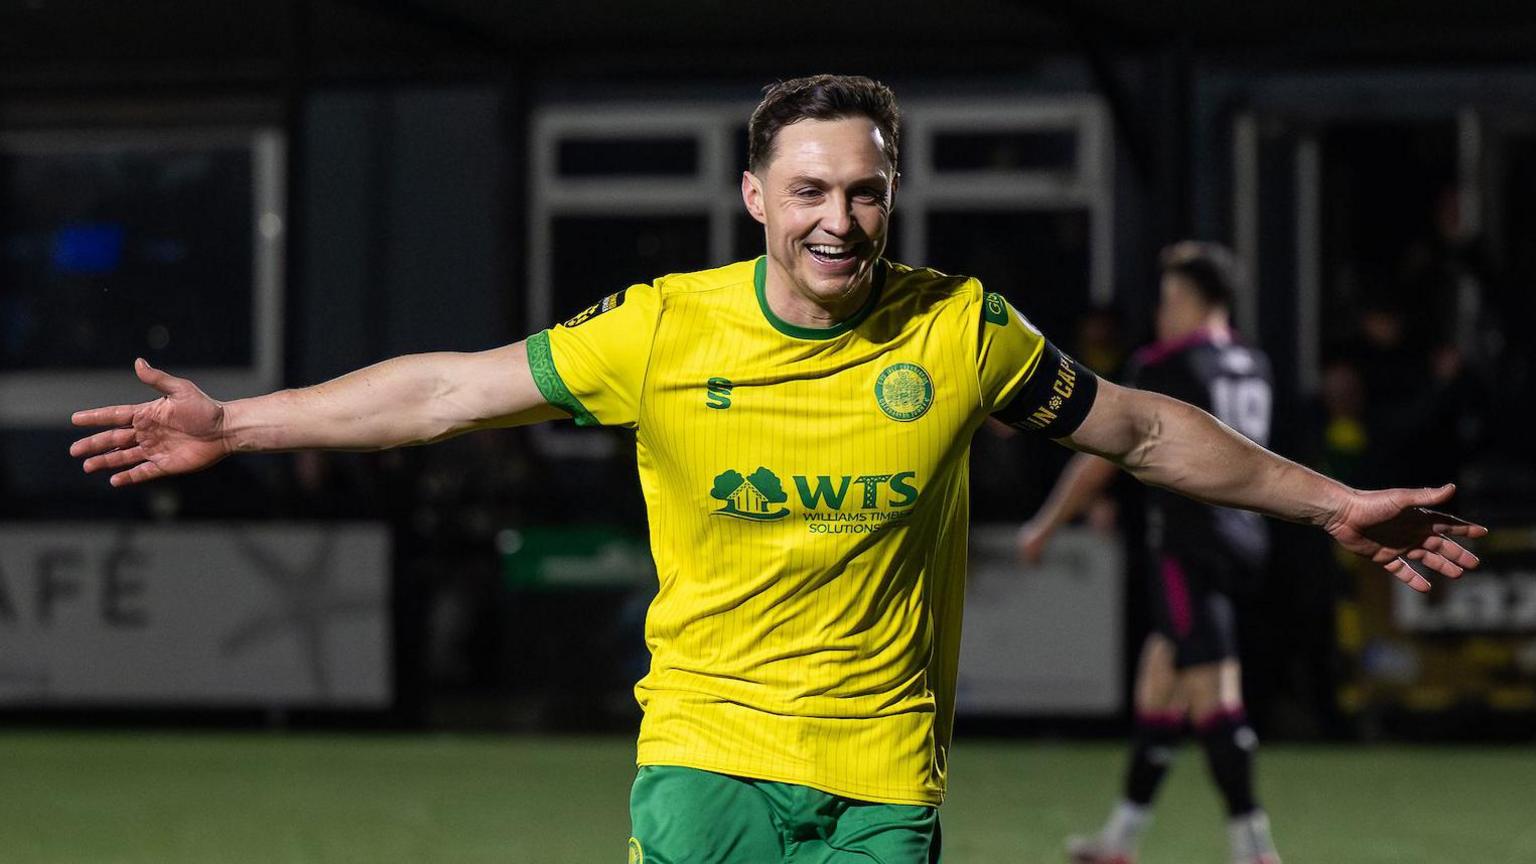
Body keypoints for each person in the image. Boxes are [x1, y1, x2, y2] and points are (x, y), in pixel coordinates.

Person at [69, 76, 1484, 864]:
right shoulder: (662, 328)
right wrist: (240, 423)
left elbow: (1144, 428)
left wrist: (1332, 501)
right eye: (808, 190)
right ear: (757, 197)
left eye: (864, 189)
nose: (838, 218)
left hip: (881, 782)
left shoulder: (963, 327)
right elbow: (447, 389)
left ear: (892, 193)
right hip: (704, 763)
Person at [1017, 242, 1282, 864]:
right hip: (1245, 539)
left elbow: (1102, 457)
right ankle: (1120, 839)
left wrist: (1049, 523)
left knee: (1215, 697)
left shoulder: (1165, 363)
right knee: (1159, 685)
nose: (1162, 314)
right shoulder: (1253, 361)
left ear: (1190, 300)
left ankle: (1255, 847)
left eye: (1168, 300)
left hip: (1187, 548)